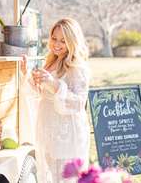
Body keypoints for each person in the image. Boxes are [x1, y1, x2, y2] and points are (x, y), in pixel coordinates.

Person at [20, 18, 91, 183]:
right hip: (48, 127)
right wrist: (27, 75)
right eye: (54, 38)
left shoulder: (77, 67)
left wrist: (55, 84)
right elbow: (41, 94)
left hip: (66, 133)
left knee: (65, 177)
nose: (57, 44)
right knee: (51, 173)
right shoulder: (51, 62)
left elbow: (78, 102)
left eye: (63, 40)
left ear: (73, 41)